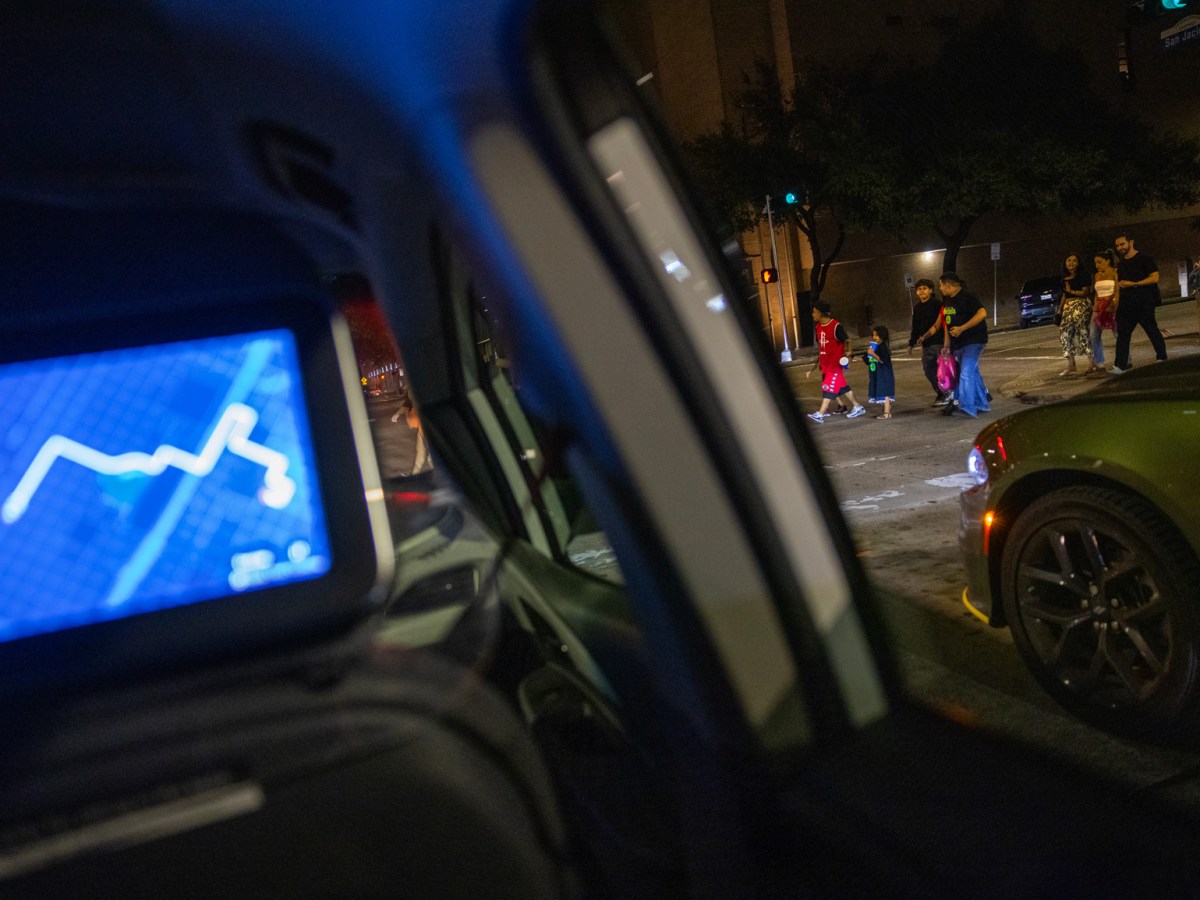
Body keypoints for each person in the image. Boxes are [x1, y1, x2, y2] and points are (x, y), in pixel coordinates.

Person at [1113, 231, 1167, 373]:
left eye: (1122, 244)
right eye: (1117, 246)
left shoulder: (1145, 259)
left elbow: (1154, 278)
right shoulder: (1121, 264)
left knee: (1152, 330)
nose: (1120, 248)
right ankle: (1120, 365)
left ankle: (1162, 358)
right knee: (1123, 335)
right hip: (1126, 305)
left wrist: (1135, 284)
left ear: (1131, 242)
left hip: (1144, 302)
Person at [938, 272, 989, 418]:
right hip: (957, 344)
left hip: (974, 340)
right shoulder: (947, 300)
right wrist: (946, 345)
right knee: (973, 373)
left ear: (948, 285)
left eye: (941, 285)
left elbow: (982, 313)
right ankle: (982, 403)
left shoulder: (969, 297)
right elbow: (947, 325)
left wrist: (962, 328)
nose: (940, 288)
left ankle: (968, 406)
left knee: (966, 373)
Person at [805, 300, 866, 422]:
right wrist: (816, 365)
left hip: (835, 364)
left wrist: (849, 355)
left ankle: (821, 413)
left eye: (814, 312)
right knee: (842, 387)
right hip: (826, 364)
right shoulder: (818, 327)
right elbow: (822, 347)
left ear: (821, 313)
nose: (812, 314)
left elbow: (847, 341)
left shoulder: (836, 326)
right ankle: (858, 406)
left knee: (828, 386)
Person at [907, 277, 947, 405]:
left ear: (931, 290)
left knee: (942, 370)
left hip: (938, 341)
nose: (922, 291)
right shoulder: (917, 307)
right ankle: (942, 393)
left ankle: (946, 394)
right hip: (926, 344)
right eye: (919, 289)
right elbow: (916, 327)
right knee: (929, 370)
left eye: (925, 288)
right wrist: (911, 343)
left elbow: (941, 324)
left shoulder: (937, 304)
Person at [1056, 253, 1092, 376]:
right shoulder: (1064, 278)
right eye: (1068, 260)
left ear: (1078, 263)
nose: (1071, 263)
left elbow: (1085, 292)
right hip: (1068, 306)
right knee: (1064, 332)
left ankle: (1091, 363)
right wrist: (1060, 310)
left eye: (1074, 260)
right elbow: (1065, 295)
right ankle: (1071, 365)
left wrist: (1071, 290)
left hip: (1081, 304)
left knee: (1083, 331)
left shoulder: (1083, 275)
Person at [1088, 249, 1120, 375]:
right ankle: (1099, 362)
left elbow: (1117, 291)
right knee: (1093, 334)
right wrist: (1095, 305)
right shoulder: (1097, 275)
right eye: (1096, 263)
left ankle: (1124, 360)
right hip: (1099, 305)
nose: (1097, 265)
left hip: (1112, 304)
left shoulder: (1115, 272)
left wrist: (1114, 304)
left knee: (1118, 334)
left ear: (1107, 261)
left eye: (1100, 262)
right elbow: (1096, 292)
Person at [864, 325, 895, 419]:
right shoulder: (874, 346)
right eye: (873, 335)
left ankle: (887, 413)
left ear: (882, 336)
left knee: (885, 391)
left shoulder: (883, 347)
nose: (874, 337)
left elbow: (883, 360)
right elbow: (867, 360)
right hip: (876, 372)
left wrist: (873, 354)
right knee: (879, 390)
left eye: (876, 335)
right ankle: (887, 407)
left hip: (884, 373)